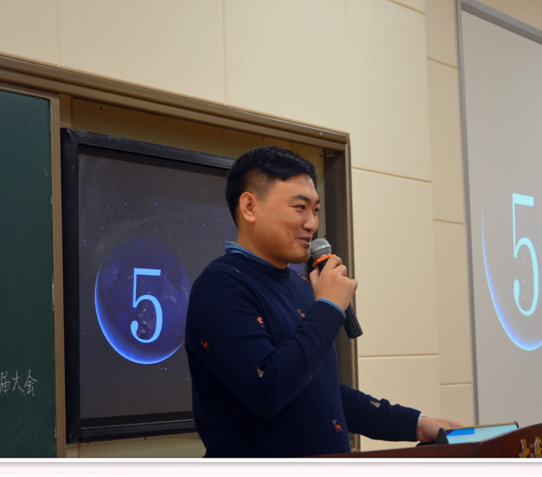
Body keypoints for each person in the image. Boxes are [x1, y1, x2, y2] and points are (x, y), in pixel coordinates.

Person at [184, 146, 460, 457]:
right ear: (249, 207)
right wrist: (327, 308)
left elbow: (322, 391)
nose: (312, 224)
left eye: (315, 210)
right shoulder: (222, 285)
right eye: (300, 207)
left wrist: (414, 423)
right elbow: (267, 389)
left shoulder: (303, 286)